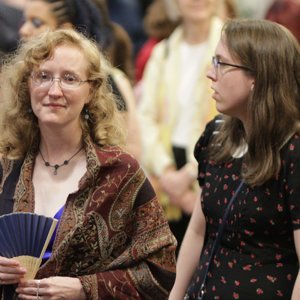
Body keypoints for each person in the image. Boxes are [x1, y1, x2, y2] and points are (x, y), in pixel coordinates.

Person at [0, 28, 176, 299]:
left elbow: (160, 270)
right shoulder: (5, 166)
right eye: (43, 76)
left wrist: (86, 288)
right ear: (27, 85)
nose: (54, 90)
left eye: (69, 79)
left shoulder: (120, 173)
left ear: (91, 91)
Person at [169, 18, 300, 300]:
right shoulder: (217, 134)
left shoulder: (293, 150)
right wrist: (175, 296)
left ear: (257, 76)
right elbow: (196, 231)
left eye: (221, 63)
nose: (209, 73)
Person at [137, 0, 223, 255]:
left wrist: (189, 175)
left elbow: (235, 119)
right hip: (168, 166)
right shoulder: (163, 51)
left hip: (215, 160)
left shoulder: (231, 46)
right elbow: (146, 116)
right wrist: (165, 172)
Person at [19, 0, 141, 161]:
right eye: (43, 77)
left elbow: (131, 150)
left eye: (36, 23)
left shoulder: (108, 80)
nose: (24, 30)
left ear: (65, 30)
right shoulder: (18, 76)